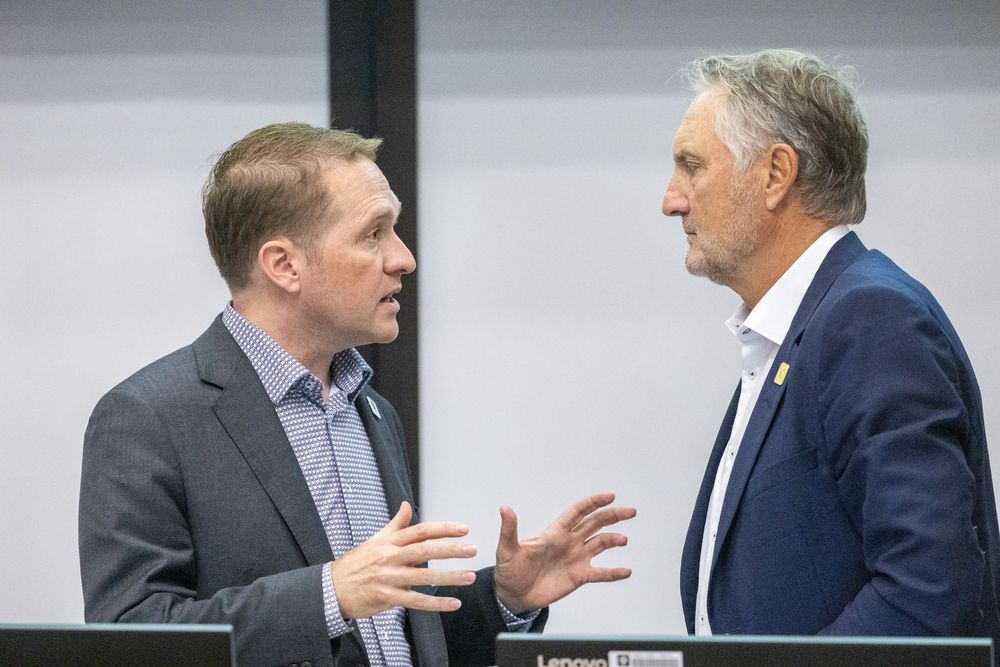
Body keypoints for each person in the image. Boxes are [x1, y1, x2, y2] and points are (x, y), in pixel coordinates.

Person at [79, 122, 636, 667]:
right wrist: (328, 593)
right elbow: (131, 639)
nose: (404, 258)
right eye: (375, 234)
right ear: (283, 265)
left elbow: (386, 636)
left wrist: (503, 600)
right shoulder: (148, 417)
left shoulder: (369, 409)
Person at [661, 49, 1000, 642]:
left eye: (691, 166)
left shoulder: (870, 320)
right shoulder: (804, 326)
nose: (672, 199)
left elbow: (927, 593)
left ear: (775, 174)